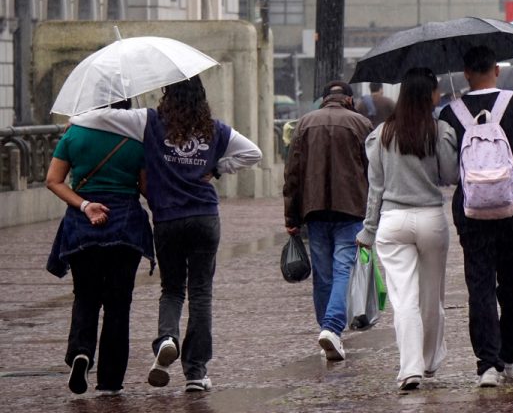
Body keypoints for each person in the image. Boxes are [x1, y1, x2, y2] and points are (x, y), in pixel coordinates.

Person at [70, 77, 262, 392]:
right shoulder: (215, 129)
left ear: (166, 96)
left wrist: (76, 119)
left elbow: (101, 117)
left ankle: (167, 339)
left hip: (168, 218)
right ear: (201, 97)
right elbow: (253, 154)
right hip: (204, 217)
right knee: (201, 293)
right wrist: (215, 169)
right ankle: (196, 373)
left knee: (172, 289)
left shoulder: (149, 121)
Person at [438, 46, 513, 388]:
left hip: (471, 214)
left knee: (479, 287)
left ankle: (486, 364)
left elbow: (447, 171)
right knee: (511, 284)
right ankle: (510, 356)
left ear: (465, 72)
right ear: (496, 69)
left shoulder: (450, 113)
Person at [355, 68, 459, 391]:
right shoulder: (439, 130)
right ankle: (428, 360)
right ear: (429, 95)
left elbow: (375, 189)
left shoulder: (381, 135)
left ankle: (410, 367)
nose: (439, 96)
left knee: (404, 299)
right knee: (431, 297)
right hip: (430, 217)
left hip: (392, 221)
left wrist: (367, 232)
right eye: (436, 91)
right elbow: (450, 175)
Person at [45, 100, 152, 396]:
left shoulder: (74, 133)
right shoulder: (136, 136)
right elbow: (145, 187)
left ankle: (81, 353)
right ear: (127, 102)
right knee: (119, 303)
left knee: (86, 296)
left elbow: (53, 181)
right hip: (126, 226)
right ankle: (110, 380)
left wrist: (85, 204)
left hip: (82, 225)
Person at [284, 81, 372, 361]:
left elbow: (293, 173)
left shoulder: (305, 123)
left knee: (323, 274)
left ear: (324, 100)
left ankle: (327, 329)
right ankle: (332, 328)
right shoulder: (361, 124)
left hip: (314, 209)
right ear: (349, 99)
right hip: (351, 208)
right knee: (344, 267)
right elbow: (373, 172)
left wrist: (291, 216)